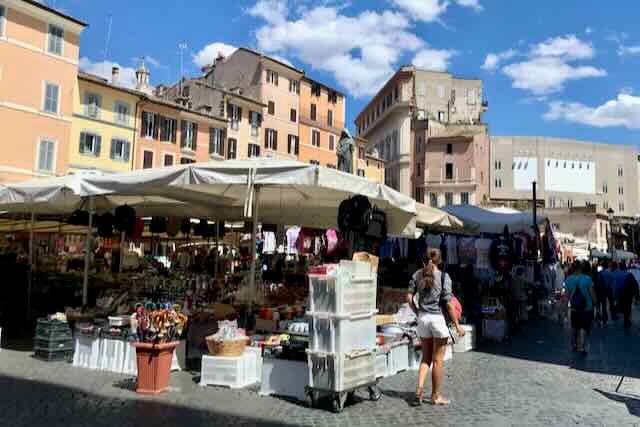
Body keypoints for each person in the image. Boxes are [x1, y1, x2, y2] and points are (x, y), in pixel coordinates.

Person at [408, 249, 465, 407]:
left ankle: (419, 390)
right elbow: (448, 304)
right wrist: (457, 326)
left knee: (425, 358)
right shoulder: (444, 276)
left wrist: (418, 311)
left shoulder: (416, 275)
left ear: (423, 260)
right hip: (437, 320)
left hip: (423, 320)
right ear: (440, 261)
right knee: (438, 360)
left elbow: (408, 298)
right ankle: (435, 396)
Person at [564, 261, 596, 353]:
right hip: (587, 308)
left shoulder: (568, 279)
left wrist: (565, 309)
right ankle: (581, 346)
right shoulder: (587, 279)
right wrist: (595, 303)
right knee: (583, 327)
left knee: (574, 327)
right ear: (581, 268)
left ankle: (573, 344)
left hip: (574, 308)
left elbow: (566, 296)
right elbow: (592, 293)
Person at [509, 267, 529, 333]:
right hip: (522, 297)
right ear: (521, 272)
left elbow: (510, 288)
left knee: (515, 312)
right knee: (522, 312)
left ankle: (515, 324)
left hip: (514, 297)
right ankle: (522, 327)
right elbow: (526, 286)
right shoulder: (523, 279)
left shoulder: (513, 279)